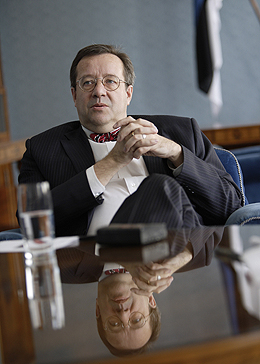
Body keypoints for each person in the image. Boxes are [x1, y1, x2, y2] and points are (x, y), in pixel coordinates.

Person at [17, 43, 242, 354]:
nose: (99, 91)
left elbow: (233, 207)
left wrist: (175, 153)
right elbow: (34, 221)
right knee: (162, 188)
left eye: (110, 81)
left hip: (161, 245)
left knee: (163, 188)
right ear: (74, 95)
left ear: (128, 93)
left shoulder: (178, 131)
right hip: (152, 247)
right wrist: (113, 161)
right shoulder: (43, 149)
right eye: (88, 83)